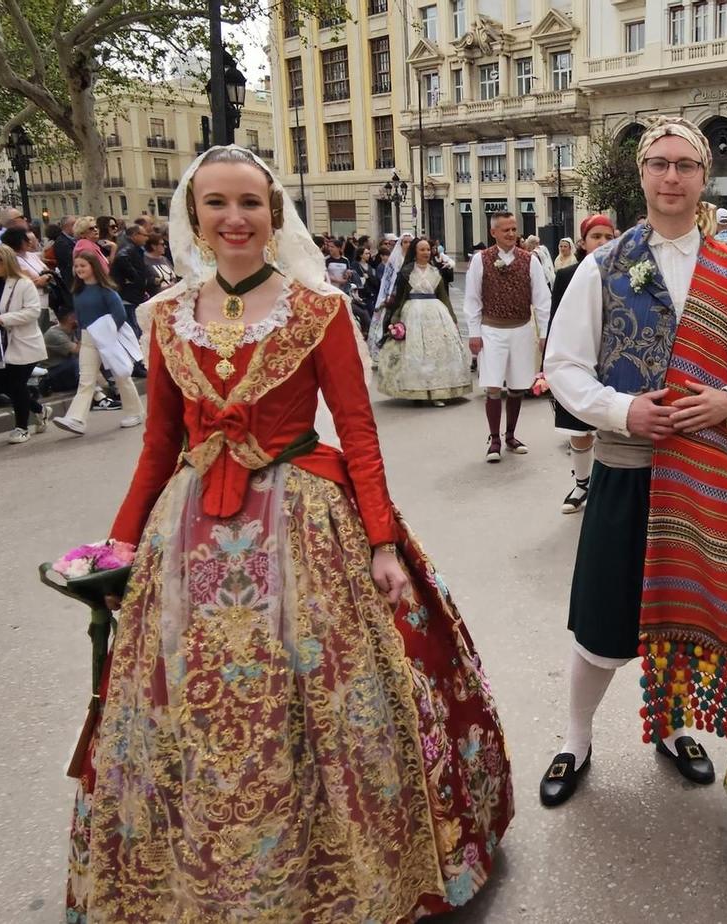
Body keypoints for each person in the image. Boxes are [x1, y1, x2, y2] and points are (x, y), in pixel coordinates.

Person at [66, 145, 513, 919]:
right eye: (217, 204)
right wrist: (122, 547)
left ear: (274, 215)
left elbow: (358, 432)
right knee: (192, 706)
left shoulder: (319, 311)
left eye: (250, 202)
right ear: (195, 218)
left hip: (305, 524)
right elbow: (157, 446)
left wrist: (380, 543)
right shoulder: (166, 316)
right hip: (192, 531)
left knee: (320, 697)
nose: (234, 218)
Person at [539, 117, 727, 807]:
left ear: (703, 178)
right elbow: (562, 368)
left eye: (685, 165)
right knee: (601, 622)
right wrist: (626, 413)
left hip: (704, 473)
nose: (671, 177)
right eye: (659, 163)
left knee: (683, 616)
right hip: (627, 469)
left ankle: (673, 725)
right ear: (643, 173)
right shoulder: (603, 267)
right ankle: (576, 738)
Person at [462, 210, 552, 462]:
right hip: (492, 330)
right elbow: (472, 298)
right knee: (493, 385)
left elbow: (542, 300)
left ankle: (511, 435)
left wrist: (544, 332)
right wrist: (474, 332)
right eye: (506, 230)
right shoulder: (481, 260)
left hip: (521, 329)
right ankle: (494, 439)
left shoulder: (529, 260)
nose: (511, 233)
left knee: (517, 385)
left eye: (514, 229)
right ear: (493, 233)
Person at [547, 214, 618, 514]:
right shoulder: (567, 275)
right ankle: (582, 482)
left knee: (612, 422)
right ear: (583, 242)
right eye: (596, 237)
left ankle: (610, 487)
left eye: (607, 237)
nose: (602, 242)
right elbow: (557, 322)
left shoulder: (625, 274)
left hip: (613, 359)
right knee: (578, 425)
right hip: (579, 356)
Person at [51, 252, 145, 435]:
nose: (79, 269)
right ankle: (76, 418)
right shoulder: (77, 292)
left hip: (107, 338)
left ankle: (135, 412)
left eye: (82, 266)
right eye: (76, 266)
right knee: (86, 379)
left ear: (93, 266)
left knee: (121, 375)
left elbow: (119, 315)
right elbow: (80, 318)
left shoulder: (107, 291)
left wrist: (106, 333)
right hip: (87, 339)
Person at [374, 236, 472, 405]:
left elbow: (444, 297)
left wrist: (453, 318)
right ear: (415, 252)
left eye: (428, 249)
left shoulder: (435, 272)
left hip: (436, 314)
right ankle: (417, 391)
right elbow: (400, 297)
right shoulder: (406, 272)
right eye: (422, 249)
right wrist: (395, 318)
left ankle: (438, 391)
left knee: (437, 353)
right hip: (412, 314)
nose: (426, 252)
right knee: (415, 352)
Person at [0, 244, 50, 443]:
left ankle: (21, 427)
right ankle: (39, 409)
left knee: (17, 384)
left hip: (22, 342)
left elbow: (33, 311)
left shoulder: (23, 283)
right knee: (1, 383)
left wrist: (3, 318)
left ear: (6, 261)